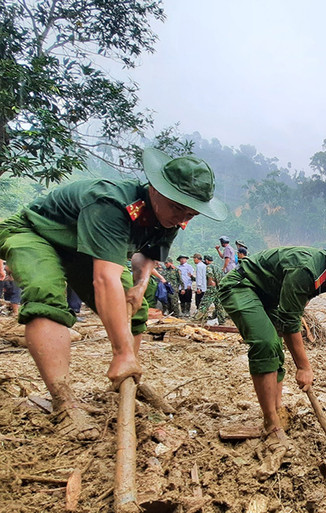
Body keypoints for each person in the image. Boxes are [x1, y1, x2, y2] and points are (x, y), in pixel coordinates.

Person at [0, 147, 226, 439]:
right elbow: (105, 279)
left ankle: (124, 387)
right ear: (156, 189)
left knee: (137, 308)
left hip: (84, 247)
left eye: (191, 213)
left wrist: (139, 287)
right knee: (47, 295)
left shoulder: (171, 218)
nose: (183, 217)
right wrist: (120, 352)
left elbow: (148, 256)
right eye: (178, 208)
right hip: (37, 233)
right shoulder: (110, 204)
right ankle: (64, 402)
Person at [217, 229, 326, 441]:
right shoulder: (307, 268)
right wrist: (304, 366)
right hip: (242, 286)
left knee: (276, 348)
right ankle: (271, 424)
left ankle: (276, 410)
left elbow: (297, 304)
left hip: (268, 296)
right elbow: (289, 322)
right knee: (266, 342)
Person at [193, 255, 227, 324]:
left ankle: (197, 319)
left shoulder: (208, 267)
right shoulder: (217, 266)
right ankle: (222, 321)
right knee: (219, 305)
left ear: (206, 260)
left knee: (204, 304)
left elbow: (210, 274)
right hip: (218, 288)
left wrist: (210, 283)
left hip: (211, 288)